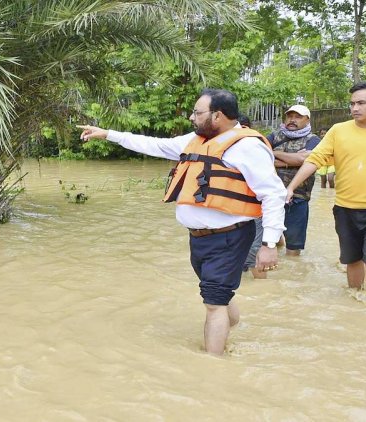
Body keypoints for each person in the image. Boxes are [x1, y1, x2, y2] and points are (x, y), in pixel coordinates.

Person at [78, 89, 286, 355]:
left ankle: (212, 365)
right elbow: (155, 145)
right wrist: (109, 134)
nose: (191, 117)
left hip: (229, 237)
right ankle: (230, 323)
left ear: (218, 115)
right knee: (215, 296)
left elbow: (273, 194)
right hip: (199, 238)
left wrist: (269, 243)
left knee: (214, 303)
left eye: (197, 113)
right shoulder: (194, 140)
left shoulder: (248, 146)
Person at [285, 82, 366, 293]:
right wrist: (291, 187)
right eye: (352, 103)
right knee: (352, 260)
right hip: (345, 208)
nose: (355, 108)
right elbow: (315, 159)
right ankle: (355, 303)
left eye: (361, 103)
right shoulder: (338, 131)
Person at [268, 105, 321, 256]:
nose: (292, 120)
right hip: (270, 196)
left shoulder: (313, 140)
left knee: (293, 249)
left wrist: (273, 154)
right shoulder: (273, 136)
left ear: (307, 120)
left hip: (297, 197)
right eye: (289, 116)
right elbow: (259, 156)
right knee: (269, 241)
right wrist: (293, 160)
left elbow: (305, 159)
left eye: (297, 117)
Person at [236, 114, 267, 279]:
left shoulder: (255, 144)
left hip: (254, 206)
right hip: (237, 208)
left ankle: (262, 289)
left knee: (255, 250)